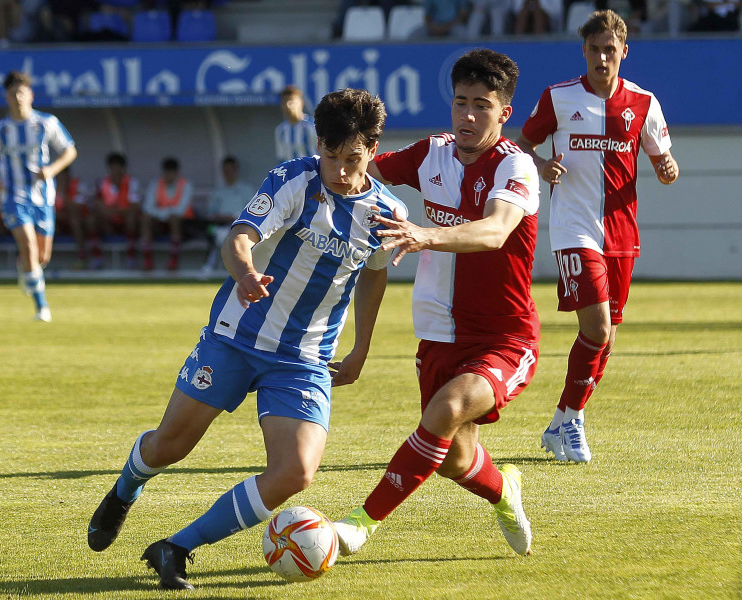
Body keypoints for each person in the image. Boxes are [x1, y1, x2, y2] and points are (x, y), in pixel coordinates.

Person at [86, 88, 407, 591]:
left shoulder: (387, 211)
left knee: (295, 472)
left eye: (353, 159)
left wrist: (362, 345)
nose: (340, 171)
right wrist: (245, 273)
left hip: (303, 359)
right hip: (236, 336)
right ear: (318, 144)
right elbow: (239, 237)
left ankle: (175, 548)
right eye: (331, 156)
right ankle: (126, 488)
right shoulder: (291, 181)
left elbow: (374, 275)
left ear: (372, 150)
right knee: (171, 445)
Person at [333, 49, 541, 559]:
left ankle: (360, 523)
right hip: (438, 332)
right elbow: (365, 171)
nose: (468, 116)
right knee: (452, 455)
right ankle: (504, 493)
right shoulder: (434, 152)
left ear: (503, 113)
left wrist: (424, 235)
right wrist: (332, 157)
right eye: (460, 103)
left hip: (504, 336)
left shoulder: (516, 166)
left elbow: (494, 232)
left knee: (446, 411)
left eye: (482, 106)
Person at [517, 10, 678, 463]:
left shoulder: (643, 102)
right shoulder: (559, 97)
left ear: (623, 52)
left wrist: (667, 168)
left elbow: (664, 162)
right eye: (595, 49)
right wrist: (542, 165)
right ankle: (572, 423)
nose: (602, 57)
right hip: (574, 229)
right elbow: (523, 144)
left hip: (622, 234)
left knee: (605, 339)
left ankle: (563, 417)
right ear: (583, 52)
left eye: (611, 50)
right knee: (598, 328)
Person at [0, 70, 77, 322]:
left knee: (42, 256)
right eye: (13, 94)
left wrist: (52, 170)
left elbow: (69, 151)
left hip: (42, 197)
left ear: (31, 96)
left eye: (21, 93)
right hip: (13, 196)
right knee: (28, 244)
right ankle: (42, 307)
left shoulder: (47, 123)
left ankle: (25, 268)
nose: (18, 98)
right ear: (7, 98)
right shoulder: (0, 129)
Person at [200, 155, 257, 277]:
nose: (228, 173)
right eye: (225, 171)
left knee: (236, 236)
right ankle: (209, 265)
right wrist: (217, 217)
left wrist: (233, 217)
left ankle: (240, 266)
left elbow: (251, 212)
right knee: (214, 233)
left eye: (230, 170)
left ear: (236, 170)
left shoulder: (246, 190)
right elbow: (210, 212)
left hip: (240, 225)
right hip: (219, 225)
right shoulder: (218, 190)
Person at [89, 152, 141, 270]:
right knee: (91, 220)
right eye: (113, 168)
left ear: (123, 169)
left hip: (125, 220)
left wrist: (118, 212)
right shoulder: (102, 183)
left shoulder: (132, 183)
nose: (116, 171)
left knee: (132, 218)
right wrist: (108, 213)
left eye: (119, 168)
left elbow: (134, 206)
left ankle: (131, 258)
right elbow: (96, 203)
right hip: (107, 221)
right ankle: (97, 258)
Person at [140, 157, 193, 272]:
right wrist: (164, 215)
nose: (168, 176)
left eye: (171, 172)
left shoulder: (185, 185)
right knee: (145, 219)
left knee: (175, 219)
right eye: (166, 172)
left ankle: (173, 259)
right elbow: (147, 207)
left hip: (181, 224)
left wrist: (164, 213)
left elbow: (181, 210)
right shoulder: (155, 185)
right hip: (160, 222)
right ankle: (147, 259)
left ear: (176, 173)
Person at [54, 165, 90, 269]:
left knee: (75, 221)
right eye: (58, 177)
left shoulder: (77, 185)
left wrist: (64, 194)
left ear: (68, 176)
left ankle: (82, 257)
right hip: (59, 222)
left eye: (63, 176)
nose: (61, 180)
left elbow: (77, 210)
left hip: (77, 222)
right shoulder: (50, 187)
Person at [274, 85, 318, 163]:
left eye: (291, 100)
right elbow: (281, 157)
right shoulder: (281, 130)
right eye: (284, 101)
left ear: (301, 103)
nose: (288, 105)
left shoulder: (314, 126)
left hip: (315, 173)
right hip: (292, 174)